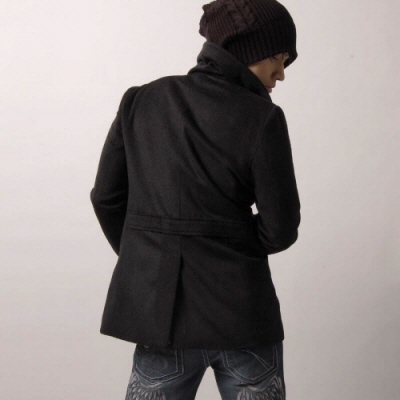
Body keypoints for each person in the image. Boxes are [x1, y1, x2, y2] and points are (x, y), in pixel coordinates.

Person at [90, 0, 301, 398]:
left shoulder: (141, 101)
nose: (281, 74)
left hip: (160, 317)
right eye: (277, 59)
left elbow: (106, 198)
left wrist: (150, 255)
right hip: (242, 316)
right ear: (246, 51)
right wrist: (228, 247)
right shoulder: (263, 116)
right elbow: (281, 229)